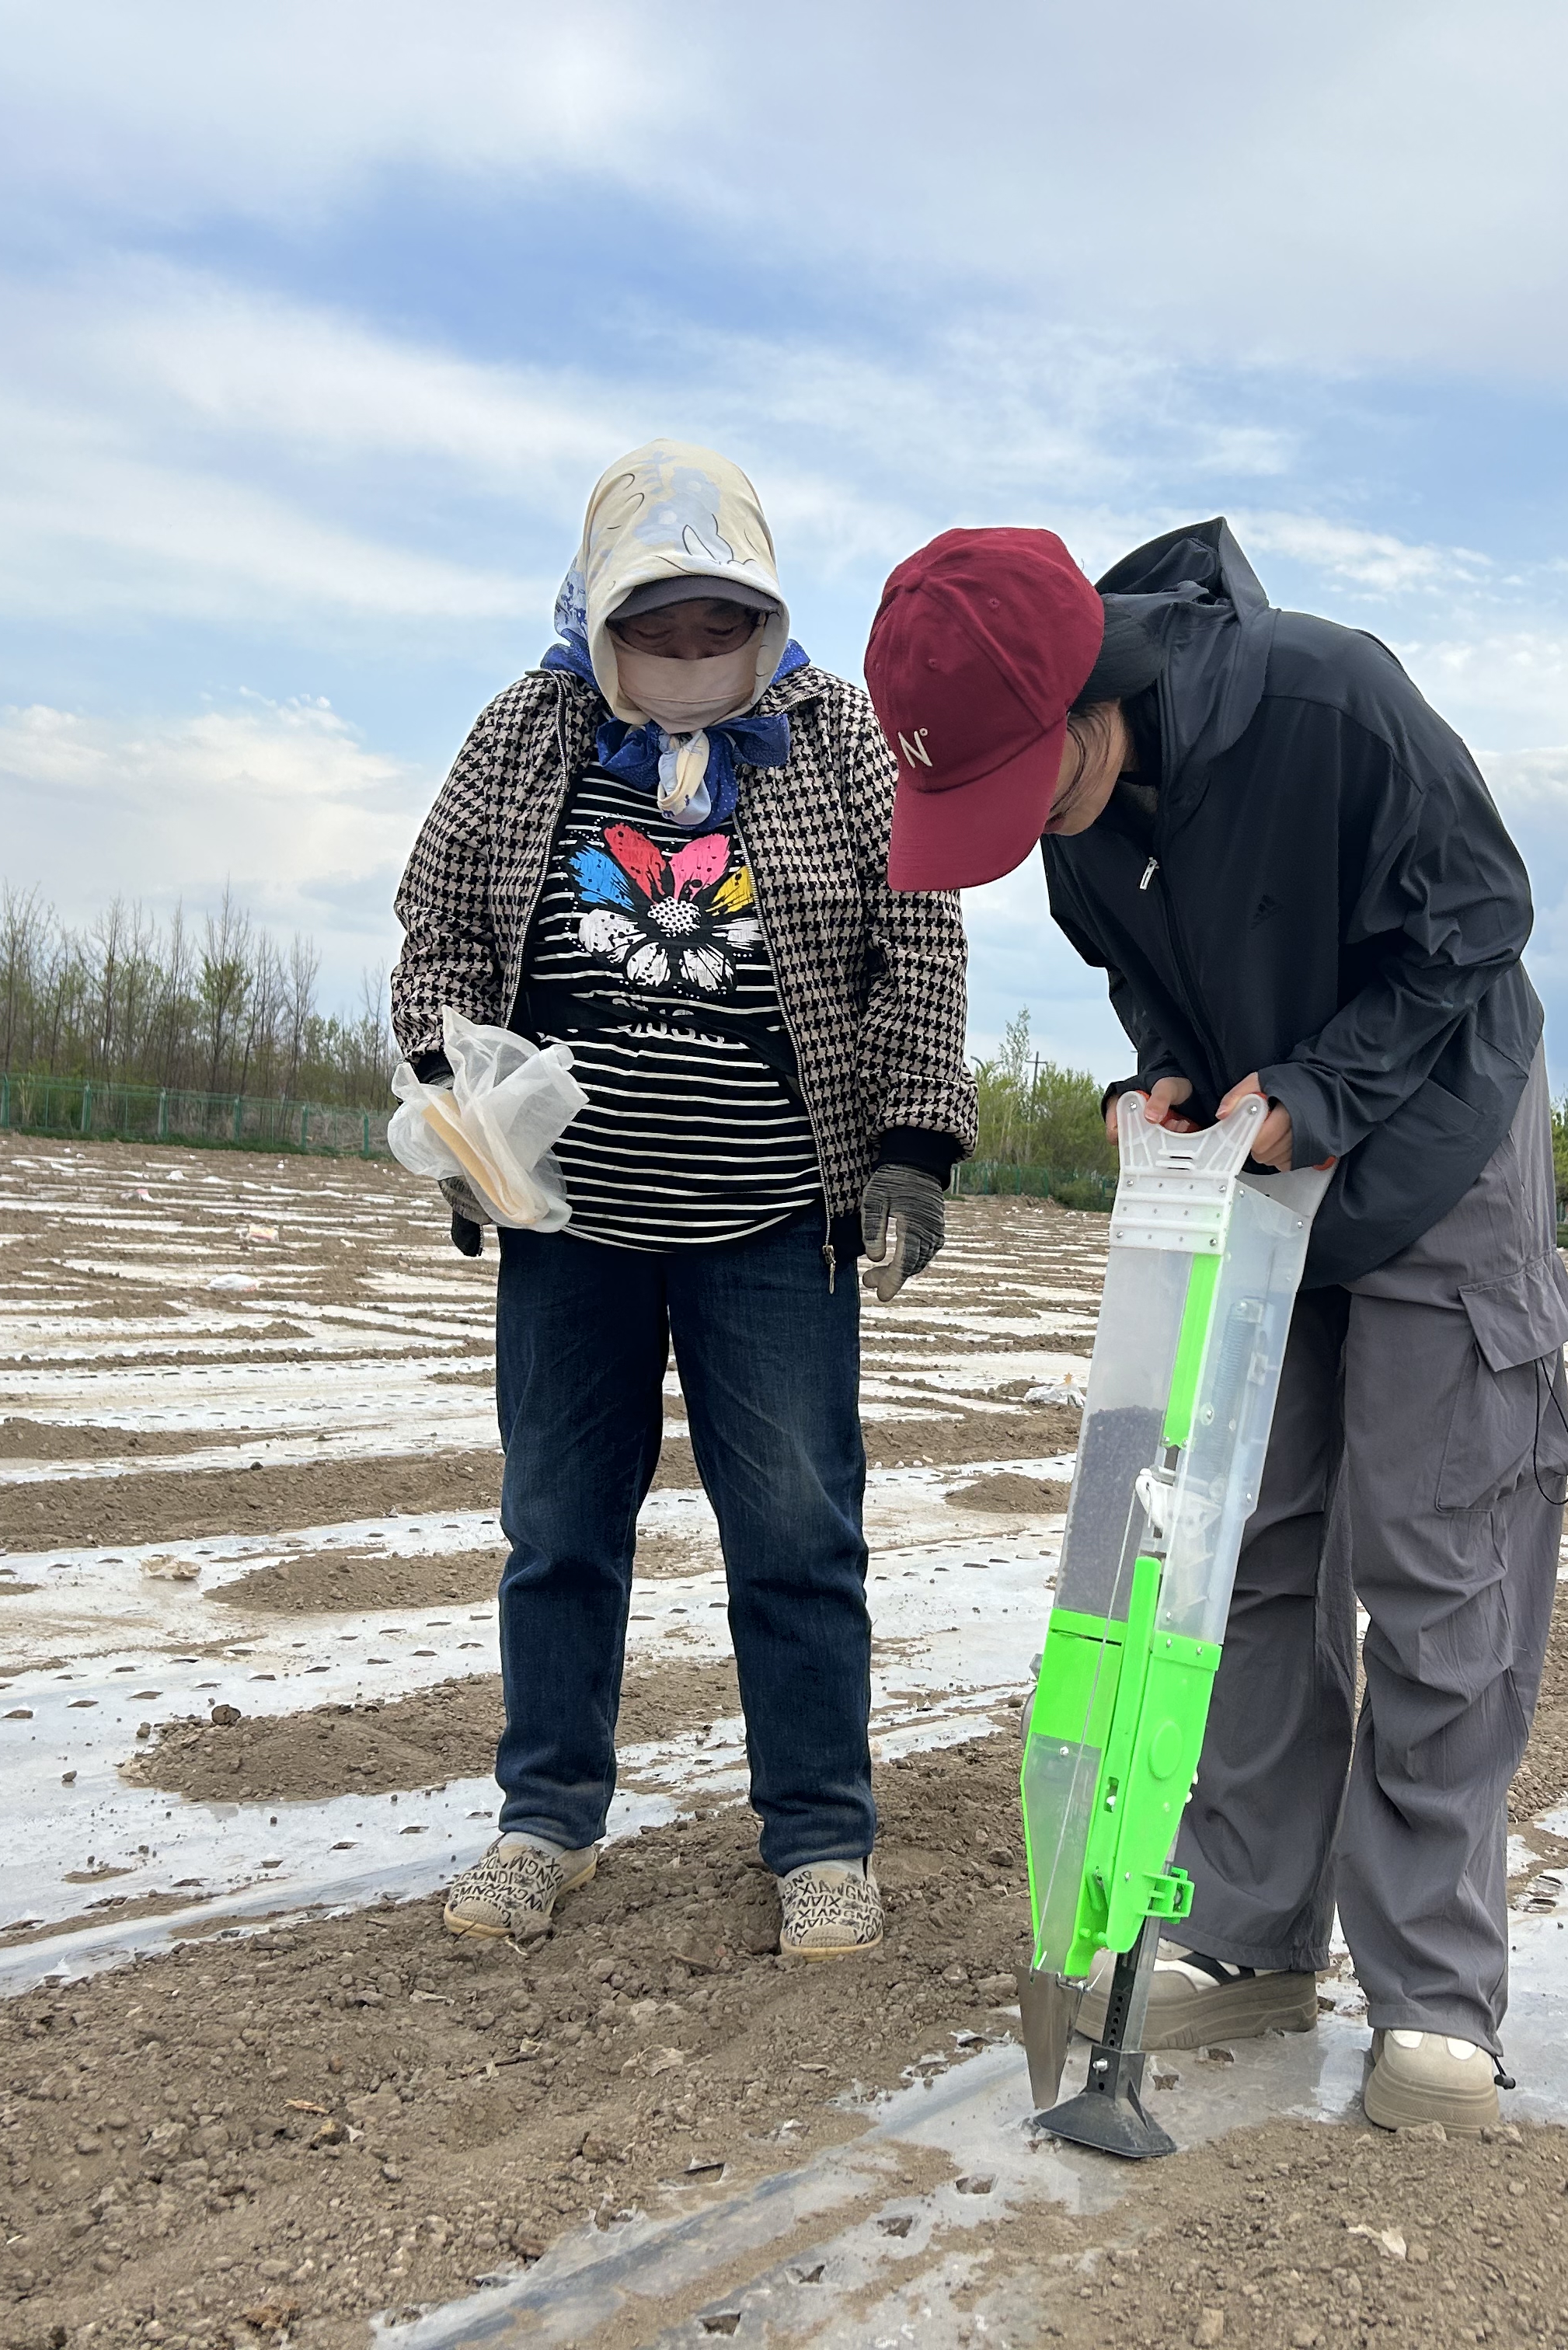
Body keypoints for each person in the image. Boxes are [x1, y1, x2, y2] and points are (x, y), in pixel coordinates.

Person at [864, 521, 1568, 2128]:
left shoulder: (1335, 702)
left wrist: (1322, 1095)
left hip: (1437, 1137)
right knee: (1246, 1542)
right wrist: (1165, 1075)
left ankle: (1436, 1999)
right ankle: (1252, 1933)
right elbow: (1154, 978)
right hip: (1262, 1154)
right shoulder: (1082, 817)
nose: (1021, 827)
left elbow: (1478, 922)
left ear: (1083, 694)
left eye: (1019, 786)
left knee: (1435, 1551)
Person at [392, 440, 974, 1958]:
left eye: (724, 624)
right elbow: (441, 920)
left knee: (794, 1530)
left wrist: (914, 1139)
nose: (695, 655)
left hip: (772, 1219)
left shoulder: (841, 738)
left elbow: (920, 934)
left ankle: (821, 1837)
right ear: (601, 615)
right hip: (570, 1223)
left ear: (768, 617)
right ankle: (547, 1819)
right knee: (559, 1526)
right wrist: (462, 1111)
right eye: (660, 626)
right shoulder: (527, 732)